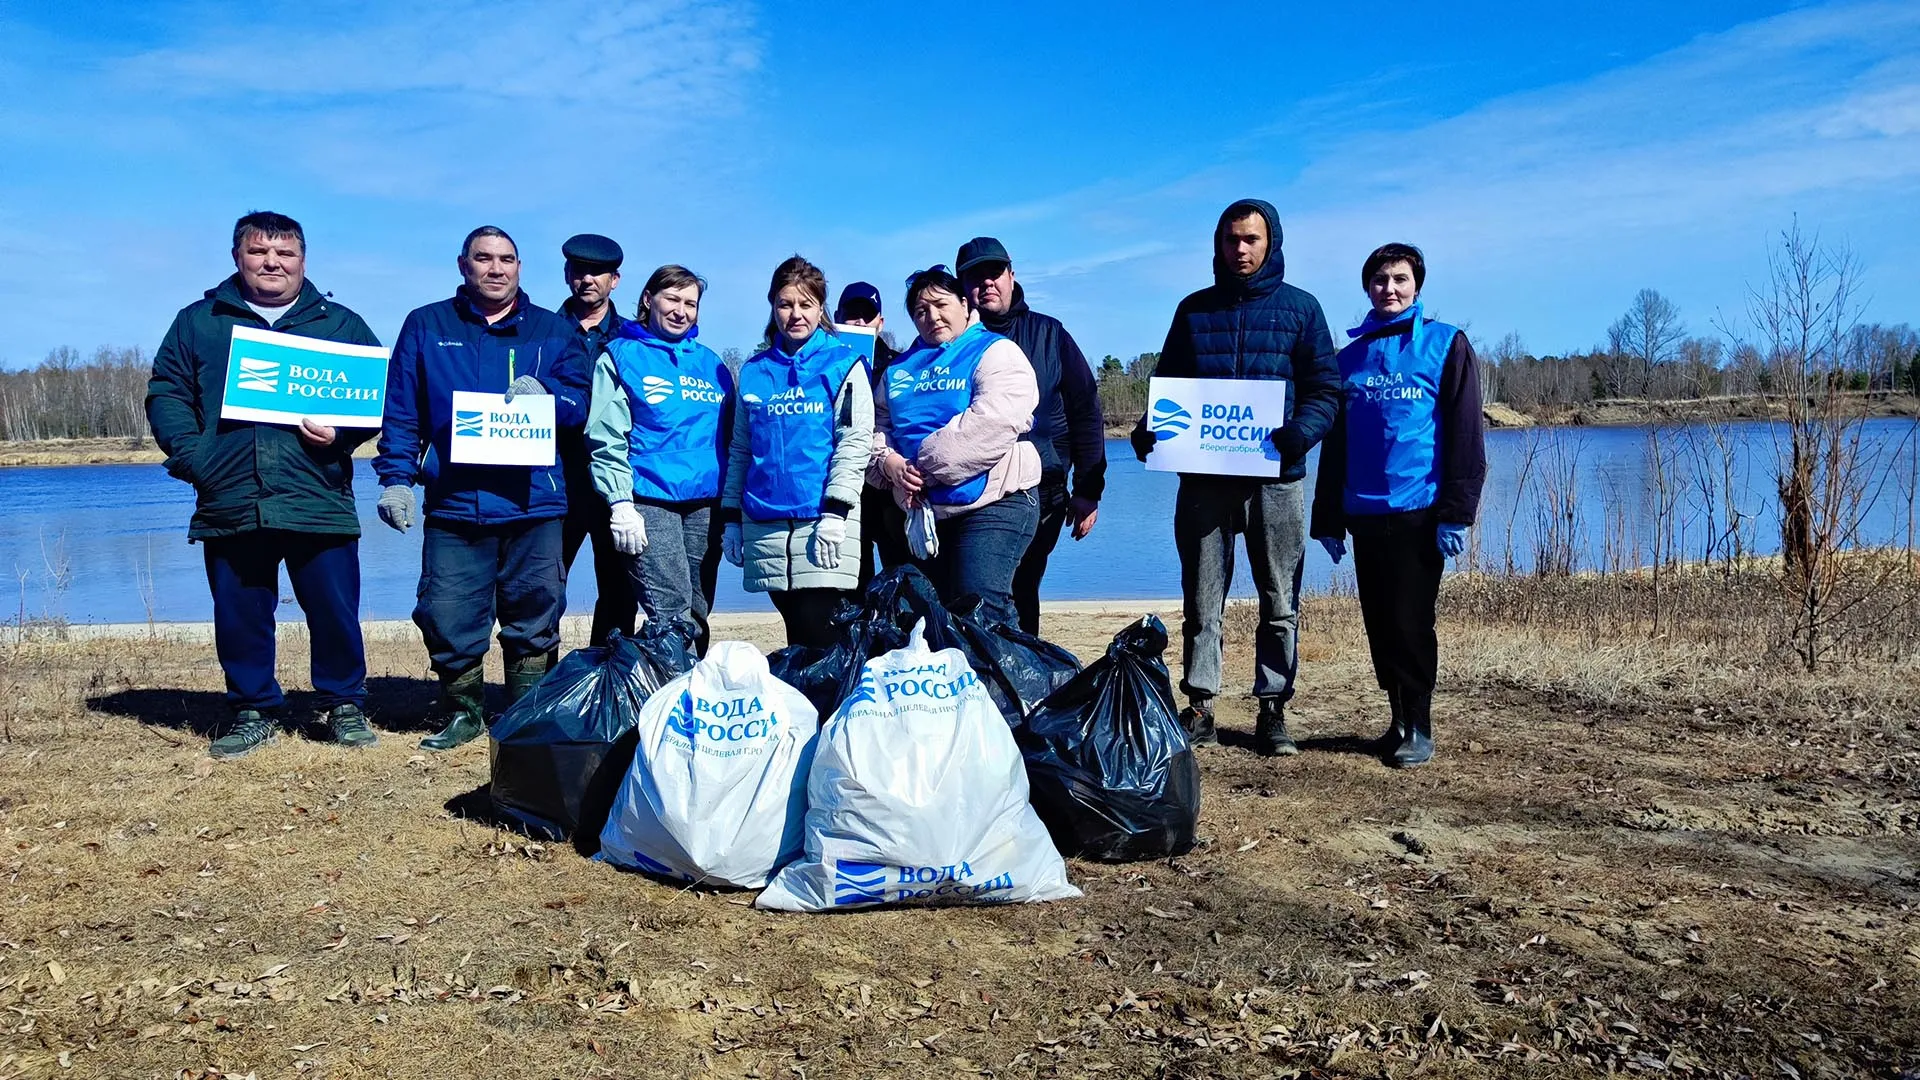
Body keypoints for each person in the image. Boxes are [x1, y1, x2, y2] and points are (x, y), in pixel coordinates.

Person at [145, 210, 383, 759]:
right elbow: (167, 394)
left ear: (303, 260)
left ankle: (343, 704)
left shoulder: (341, 324)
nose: (272, 262)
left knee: (334, 609)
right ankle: (253, 709)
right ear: (238, 257)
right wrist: (196, 459)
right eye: (258, 252)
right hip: (232, 493)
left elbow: (374, 399)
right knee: (241, 612)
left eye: (285, 253)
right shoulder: (200, 321)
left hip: (317, 492)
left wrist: (342, 435)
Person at [1132, 198, 1339, 755]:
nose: (1241, 249)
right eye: (1232, 239)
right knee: (1202, 601)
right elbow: (1169, 388)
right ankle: (1201, 706)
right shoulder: (1194, 310)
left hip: (1278, 481)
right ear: (1218, 244)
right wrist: (1149, 431)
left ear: (1271, 243)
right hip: (1205, 482)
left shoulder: (1301, 309)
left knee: (1279, 600)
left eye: (1251, 239)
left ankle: (1273, 710)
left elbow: (1326, 392)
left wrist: (1300, 432)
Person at [374, 226, 591, 751]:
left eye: (507, 259)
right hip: (455, 502)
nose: (496, 269)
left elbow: (580, 405)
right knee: (446, 614)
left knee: (536, 613)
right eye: (484, 258)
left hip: (534, 502)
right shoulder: (426, 325)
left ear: (520, 267)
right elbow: (402, 410)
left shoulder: (553, 330)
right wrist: (397, 480)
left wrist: (547, 394)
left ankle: (525, 715)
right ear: (463, 264)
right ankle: (463, 713)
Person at [1310, 243, 1486, 767]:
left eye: (1400, 279)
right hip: (1364, 512)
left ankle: (1420, 725)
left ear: (1417, 286)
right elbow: (1335, 444)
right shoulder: (1348, 359)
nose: (1390, 288)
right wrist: (1328, 517)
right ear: (1368, 287)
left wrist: (1457, 512)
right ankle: (1397, 719)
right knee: (1380, 623)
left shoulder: (1445, 344)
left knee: (1411, 622)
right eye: (1380, 279)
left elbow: (1466, 434)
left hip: (1420, 510)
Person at [870, 266, 1040, 626]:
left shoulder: (996, 351)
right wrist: (889, 464)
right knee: (929, 617)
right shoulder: (898, 370)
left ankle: (1006, 665)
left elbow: (995, 420)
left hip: (995, 500)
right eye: (920, 311)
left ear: (965, 304)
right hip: (925, 512)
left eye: (941, 304)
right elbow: (875, 426)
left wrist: (919, 468)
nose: (932, 316)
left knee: (978, 607)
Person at [720, 256, 873, 649]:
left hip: (822, 521)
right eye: (785, 304)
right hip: (764, 523)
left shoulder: (842, 364)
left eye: (806, 304)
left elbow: (854, 441)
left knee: (821, 629)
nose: (796, 314)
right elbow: (741, 449)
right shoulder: (754, 371)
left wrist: (836, 511)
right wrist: (731, 518)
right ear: (773, 306)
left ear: (821, 308)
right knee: (795, 630)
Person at [955, 237, 1106, 634]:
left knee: (1021, 589)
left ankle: (1022, 666)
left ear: (1011, 276)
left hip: (1042, 492)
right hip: (967, 493)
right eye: (975, 276)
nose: (987, 283)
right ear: (961, 286)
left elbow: (1086, 411)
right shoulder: (950, 344)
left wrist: (1088, 489)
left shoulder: (1050, 334)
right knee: (969, 595)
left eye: (995, 273)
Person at [587, 264, 732, 654]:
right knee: (670, 610)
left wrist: (734, 511)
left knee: (697, 611)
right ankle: (674, 689)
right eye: (672, 299)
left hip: (706, 504)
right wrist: (620, 502)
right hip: (650, 499)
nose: (681, 311)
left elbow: (731, 438)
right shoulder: (621, 356)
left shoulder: (712, 364)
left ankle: (688, 682)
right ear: (649, 300)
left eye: (691, 303)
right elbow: (606, 437)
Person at [556, 233, 638, 646]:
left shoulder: (635, 338)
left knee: (620, 594)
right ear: (567, 274)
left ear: (614, 280)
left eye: (598, 272)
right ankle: (542, 682)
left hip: (617, 484)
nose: (587, 279)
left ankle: (608, 676)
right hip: (555, 481)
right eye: (579, 271)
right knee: (543, 590)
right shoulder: (543, 331)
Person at [835, 281, 910, 584]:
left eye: (867, 316)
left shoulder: (900, 367)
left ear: (880, 322)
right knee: (853, 579)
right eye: (851, 314)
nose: (859, 322)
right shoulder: (824, 366)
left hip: (887, 488)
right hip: (846, 486)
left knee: (899, 573)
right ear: (837, 318)